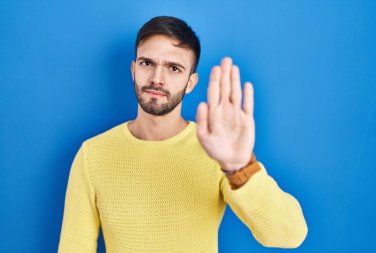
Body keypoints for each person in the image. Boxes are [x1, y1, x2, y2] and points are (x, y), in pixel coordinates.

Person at [58, 16, 308, 252]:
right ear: (134, 69)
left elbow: (289, 235)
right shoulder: (92, 154)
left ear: (191, 82)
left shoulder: (217, 151)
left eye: (174, 68)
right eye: (147, 63)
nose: (157, 78)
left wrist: (239, 167)